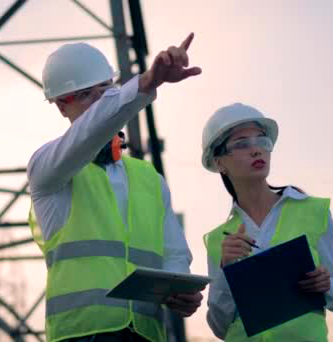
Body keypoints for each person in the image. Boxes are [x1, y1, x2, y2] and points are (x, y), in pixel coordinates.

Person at [27, 33, 203, 342]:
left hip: (146, 334)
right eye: (86, 95)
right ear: (61, 107)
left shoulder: (149, 178)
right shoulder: (47, 169)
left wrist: (181, 289)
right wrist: (146, 83)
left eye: (107, 90)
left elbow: (174, 253)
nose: (101, 102)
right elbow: (93, 127)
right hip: (82, 335)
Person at [201, 103, 333, 341]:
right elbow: (221, 327)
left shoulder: (312, 210)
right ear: (219, 162)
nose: (256, 150)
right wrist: (225, 270)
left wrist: (327, 286)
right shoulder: (219, 240)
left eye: (262, 141)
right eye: (242, 143)